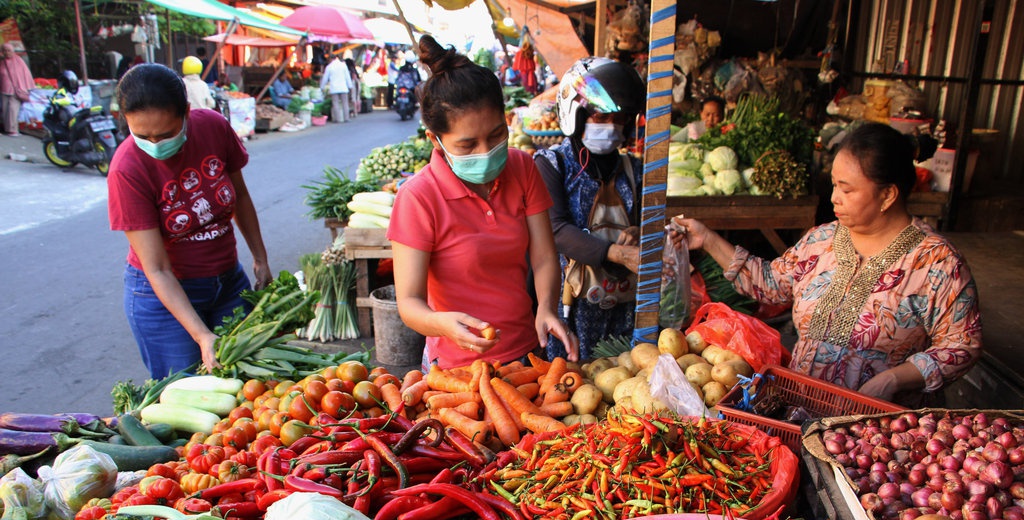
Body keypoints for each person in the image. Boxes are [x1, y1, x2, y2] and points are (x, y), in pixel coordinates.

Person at [674, 122, 982, 407]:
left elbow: (962, 345)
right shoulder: (821, 240)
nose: (834, 198)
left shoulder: (938, 264)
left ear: (888, 195)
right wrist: (709, 240)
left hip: (879, 432)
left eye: (847, 190)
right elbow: (770, 285)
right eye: (834, 185)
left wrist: (893, 378)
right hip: (801, 413)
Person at [387, 35, 579, 369]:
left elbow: (545, 256)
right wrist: (443, 325)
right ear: (435, 139)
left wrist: (546, 308)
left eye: (495, 136)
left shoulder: (522, 167)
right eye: (467, 145)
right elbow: (409, 302)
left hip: (526, 354)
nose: (485, 152)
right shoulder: (418, 197)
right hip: (455, 368)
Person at [107, 63, 272, 379]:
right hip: (165, 297)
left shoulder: (212, 127)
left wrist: (260, 258)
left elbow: (240, 196)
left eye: (167, 134)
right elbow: (157, 268)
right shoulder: (126, 169)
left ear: (185, 112)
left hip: (228, 283)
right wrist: (201, 335)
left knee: (244, 386)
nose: (156, 145)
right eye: (143, 135)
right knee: (187, 394)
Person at [533, 57, 646, 361]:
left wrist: (635, 234)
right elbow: (555, 229)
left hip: (622, 302)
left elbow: (646, 222)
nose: (611, 127)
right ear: (577, 115)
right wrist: (616, 252)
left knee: (620, 378)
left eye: (619, 120)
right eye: (600, 118)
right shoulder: (551, 164)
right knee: (567, 381)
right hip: (569, 303)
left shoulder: (633, 168)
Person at [1, 42, 34, 137]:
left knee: (13, 110)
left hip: (16, 90)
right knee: (5, 110)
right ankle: (7, 129)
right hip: (4, 89)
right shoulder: (2, 62)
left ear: (13, 51)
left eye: (9, 51)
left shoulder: (18, 61)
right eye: (5, 51)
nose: (7, 53)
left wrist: (24, 87)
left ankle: (13, 130)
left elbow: (25, 75)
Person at [320, 52, 352, 123]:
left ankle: (337, 119)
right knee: (345, 103)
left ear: (331, 59)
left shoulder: (329, 67)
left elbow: (325, 78)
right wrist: (350, 86)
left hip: (334, 88)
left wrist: (321, 87)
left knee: (335, 103)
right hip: (343, 87)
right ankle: (346, 118)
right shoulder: (343, 65)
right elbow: (347, 76)